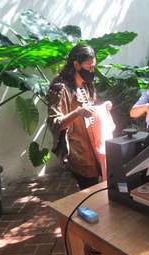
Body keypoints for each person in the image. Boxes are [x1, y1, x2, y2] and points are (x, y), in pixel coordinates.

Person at [47, 44, 112, 189]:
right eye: (89, 67)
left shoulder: (86, 85)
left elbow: (90, 110)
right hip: (78, 153)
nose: (92, 71)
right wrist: (77, 113)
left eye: (93, 66)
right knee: (86, 192)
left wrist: (103, 107)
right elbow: (54, 123)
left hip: (93, 148)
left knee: (96, 189)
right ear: (76, 64)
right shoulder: (60, 88)